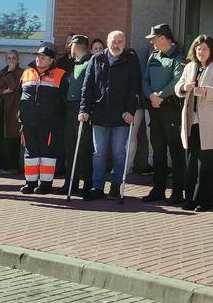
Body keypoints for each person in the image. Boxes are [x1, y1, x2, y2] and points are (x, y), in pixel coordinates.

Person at [80, 31, 141, 200]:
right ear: (108, 42)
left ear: (124, 43)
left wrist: (130, 110)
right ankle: (97, 187)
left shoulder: (130, 60)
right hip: (99, 114)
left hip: (121, 116)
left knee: (118, 153)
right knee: (98, 153)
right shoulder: (96, 59)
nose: (116, 45)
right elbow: (87, 86)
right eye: (114, 41)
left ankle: (115, 186)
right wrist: (84, 109)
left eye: (120, 42)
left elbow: (134, 88)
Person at [176, 34, 213, 211]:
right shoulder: (190, 66)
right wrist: (183, 88)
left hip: (212, 120)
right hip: (191, 121)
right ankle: (190, 199)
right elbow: (179, 86)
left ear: (211, 50)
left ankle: (205, 200)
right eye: (198, 48)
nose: (201, 52)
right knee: (192, 161)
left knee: (207, 163)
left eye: (205, 48)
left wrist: (207, 92)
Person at [142, 24, 186, 205]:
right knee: (158, 152)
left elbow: (178, 79)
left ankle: (177, 192)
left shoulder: (179, 56)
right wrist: (150, 95)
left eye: (154, 38)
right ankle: (158, 189)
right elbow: (144, 79)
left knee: (176, 152)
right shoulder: (153, 56)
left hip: (171, 109)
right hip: (155, 108)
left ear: (163, 38)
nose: (151, 42)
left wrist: (160, 96)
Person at [18, 44, 68, 194]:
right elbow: (19, 95)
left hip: (50, 123)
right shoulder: (27, 73)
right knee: (30, 152)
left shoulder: (61, 74)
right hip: (28, 122)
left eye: (43, 57)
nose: (39, 59)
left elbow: (64, 101)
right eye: (38, 56)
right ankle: (30, 183)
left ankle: (46, 184)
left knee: (47, 154)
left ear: (51, 60)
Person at [61, 37, 93, 195]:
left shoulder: (89, 63)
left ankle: (87, 184)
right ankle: (71, 183)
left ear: (77, 46)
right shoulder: (76, 63)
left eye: (71, 44)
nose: (68, 47)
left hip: (81, 108)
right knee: (70, 147)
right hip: (70, 108)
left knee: (84, 148)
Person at [0, 50, 24, 176]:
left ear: (17, 60)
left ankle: (11, 167)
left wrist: (11, 74)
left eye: (14, 58)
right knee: (0, 138)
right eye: (9, 58)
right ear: (5, 60)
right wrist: (3, 91)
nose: (11, 61)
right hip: (2, 110)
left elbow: (14, 86)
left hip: (13, 109)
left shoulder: (22, 72)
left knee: (12, 138)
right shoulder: (1, 72)